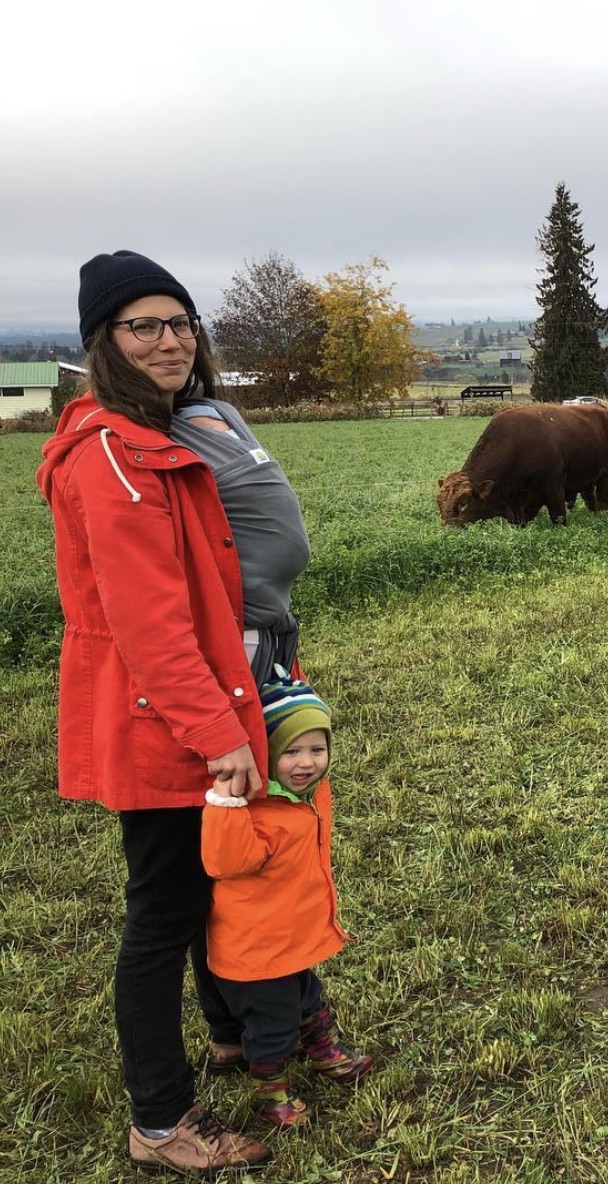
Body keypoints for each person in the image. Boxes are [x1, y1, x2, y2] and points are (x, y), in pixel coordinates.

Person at [36, 250, 314, 1174]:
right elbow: (149, 620)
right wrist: (215, 732)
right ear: (103, 342)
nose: (169, 340)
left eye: (180, 322)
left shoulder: (155, 434)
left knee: (206, 889)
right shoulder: (115, 451)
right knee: (163, 912)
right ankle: (160, 1122)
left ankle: (233, 1034)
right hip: (157, 714)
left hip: (194, 697)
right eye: (143, 325)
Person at [202, 670, 373, 1127]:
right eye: (291, 751)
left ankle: (323, 1053)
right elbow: (223, 861)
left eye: (318, 750)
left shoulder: (306, 797)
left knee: (308, 999)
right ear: (268, 754)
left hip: (290, 939)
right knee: (272, 1025)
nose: (307, 762)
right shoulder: (253, 812)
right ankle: (270, 1092)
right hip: (257, 950)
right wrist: (225, 803)